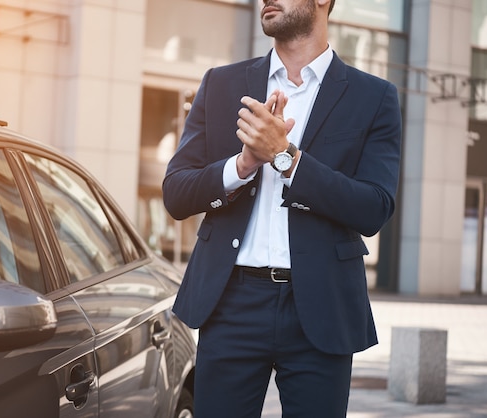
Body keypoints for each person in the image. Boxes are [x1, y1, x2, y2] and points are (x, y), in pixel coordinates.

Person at [162, 0, 402, 417]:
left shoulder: (374, 97)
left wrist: (286, 158)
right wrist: (242, 166)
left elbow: (374, 208)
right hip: (230, 300)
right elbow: (176, 194)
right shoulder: (221, 84)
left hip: (321, 304)